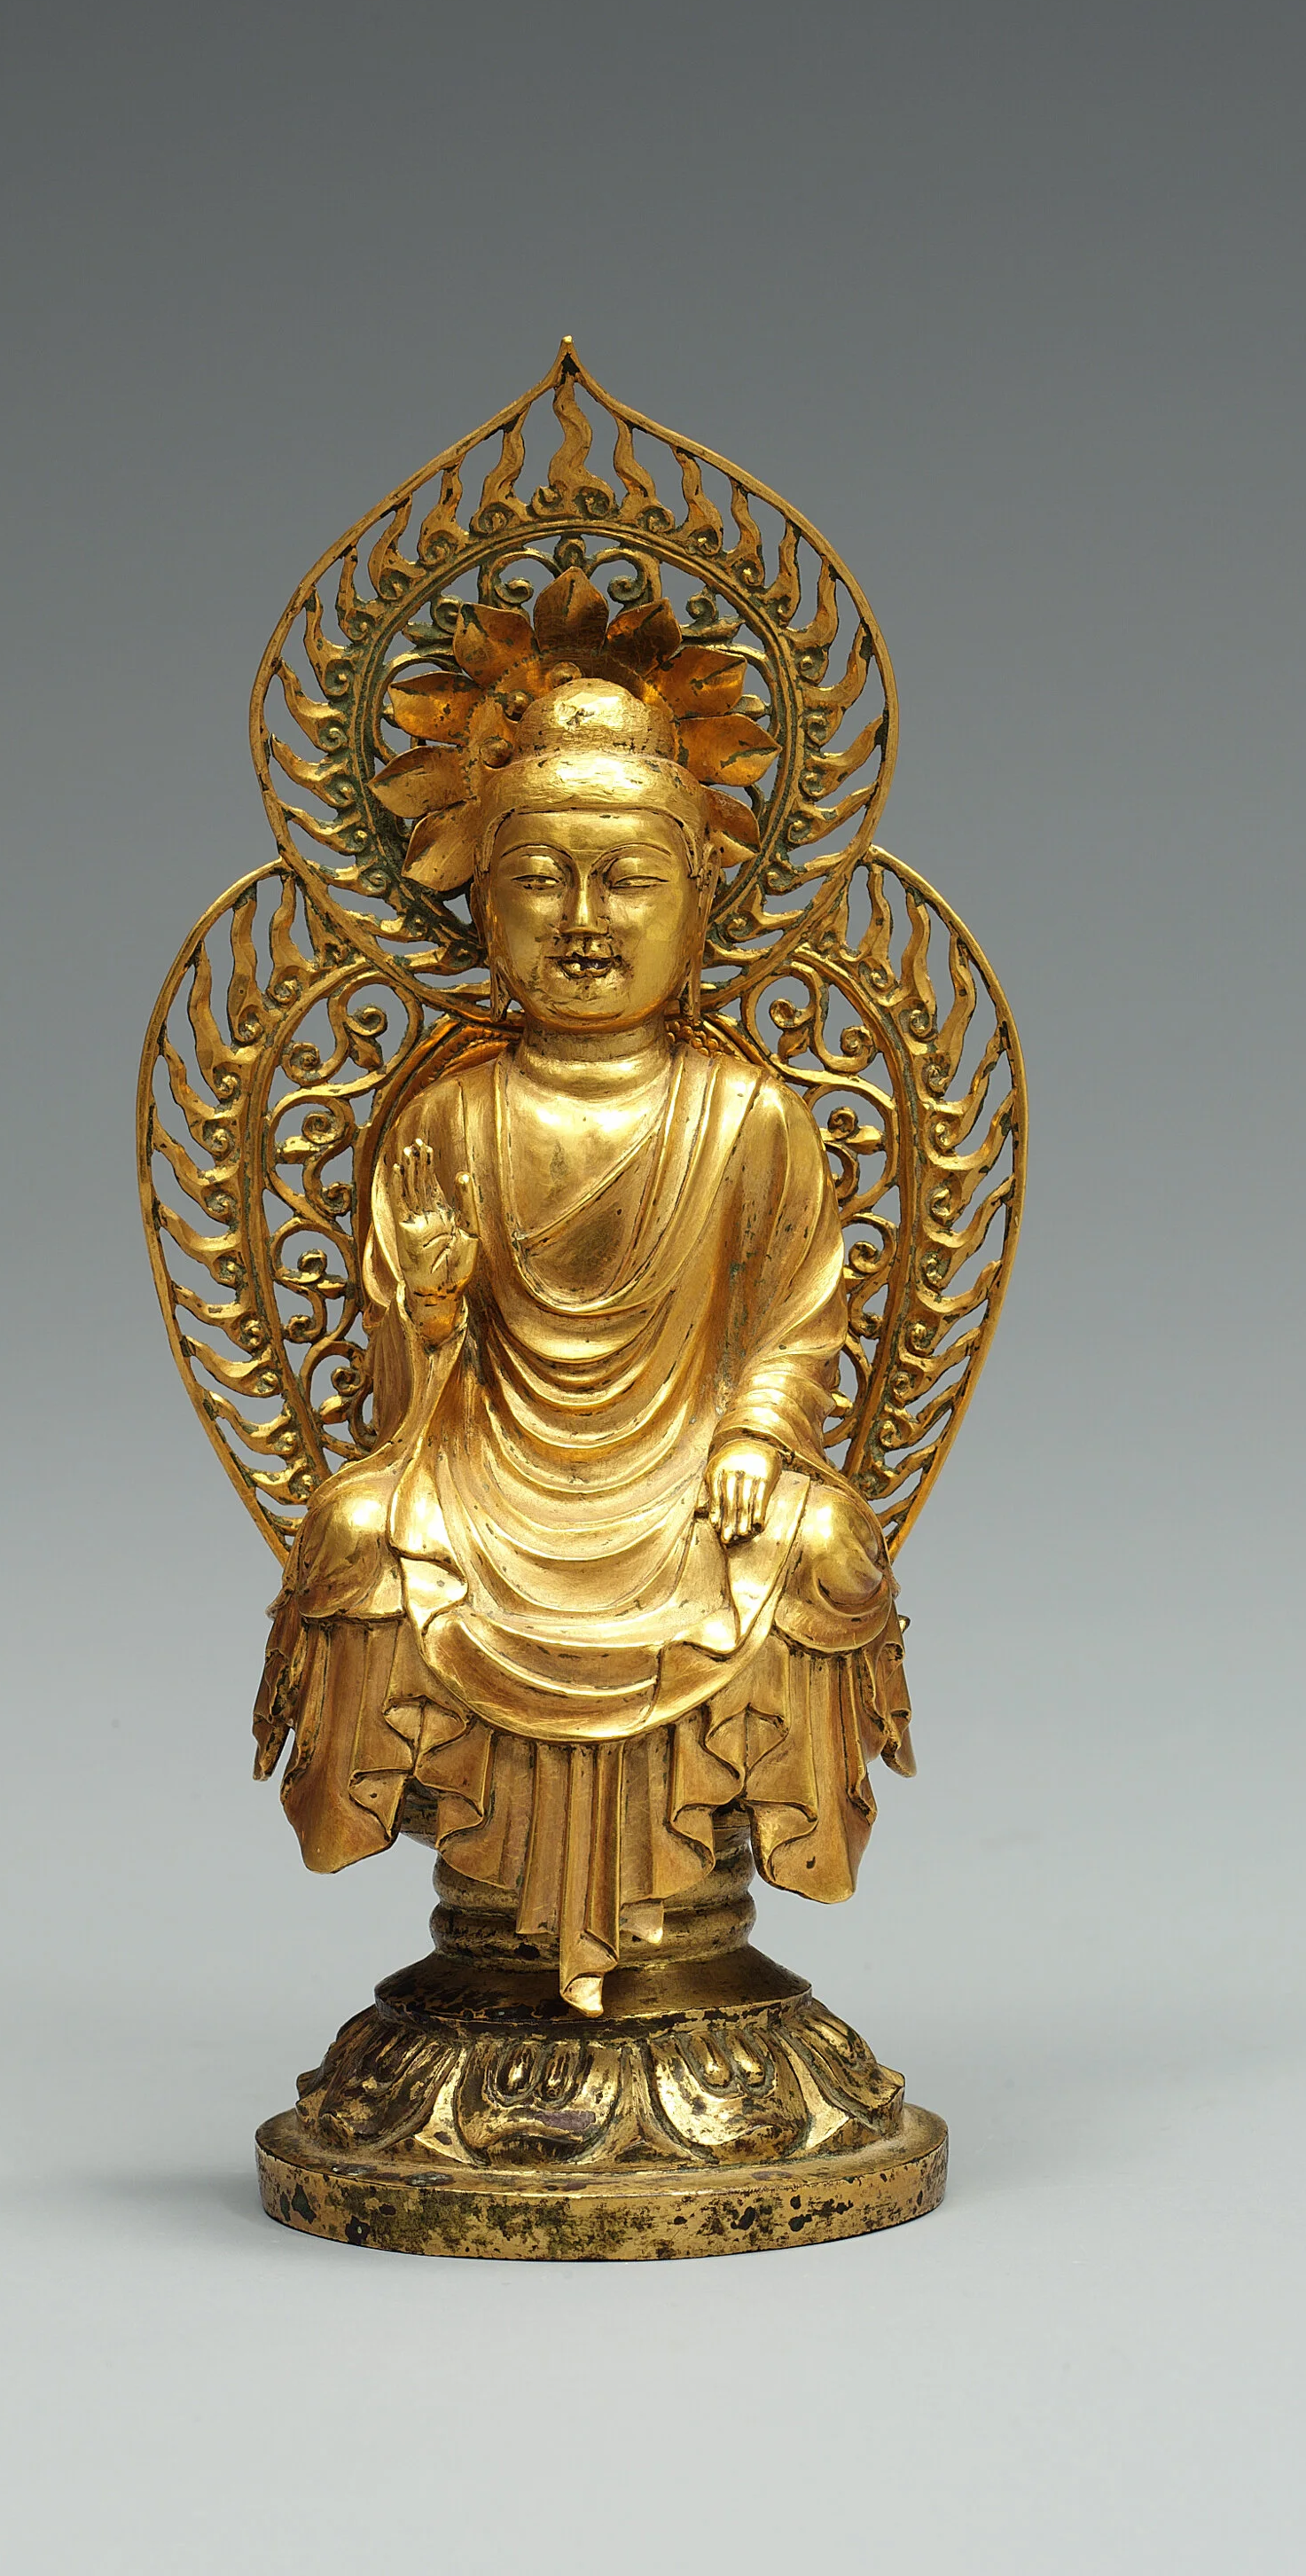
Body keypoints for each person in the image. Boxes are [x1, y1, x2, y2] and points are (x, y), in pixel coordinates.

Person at [254, 666, 911, 2012]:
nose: (584, 920)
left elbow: (798, 1319)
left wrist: (754, 1434)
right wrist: (428, 1310)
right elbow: (402, 1387)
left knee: (828, 1549)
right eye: (539, 882)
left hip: (686, 1474)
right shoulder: (450, 1115)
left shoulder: (746, 1117)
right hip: (491, 1469)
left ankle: (679, 1920)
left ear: (701, 905)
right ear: (482, 910)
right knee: (354, 1530)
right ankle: (510, 1924)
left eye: (630, 881)